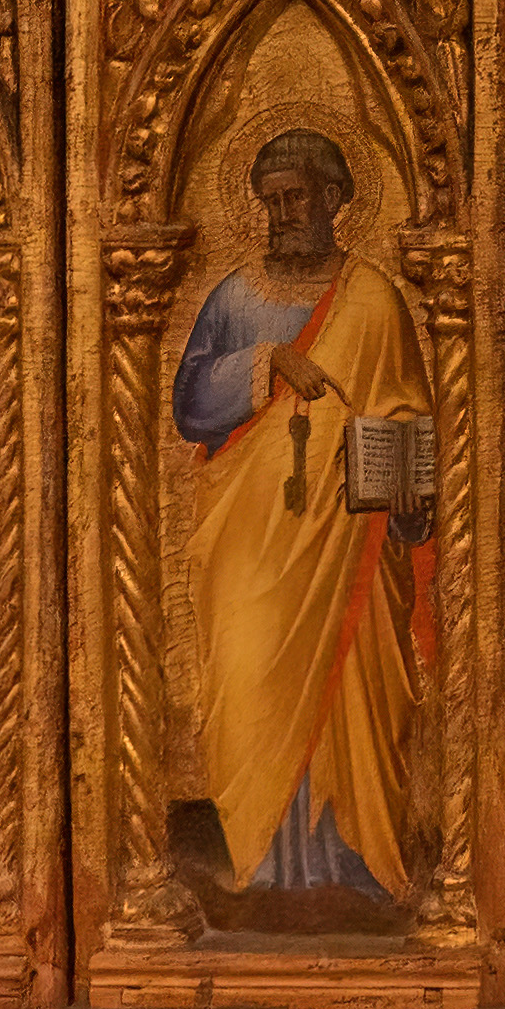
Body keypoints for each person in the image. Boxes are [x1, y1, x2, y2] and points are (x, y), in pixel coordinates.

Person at [172, 128, 436, 898]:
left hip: (352, 543)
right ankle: (263, 869)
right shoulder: (234, 297)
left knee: (355, 696)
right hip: (248, 543)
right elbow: (190, 405)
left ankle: (357, 865)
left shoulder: (373, 298)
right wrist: (266, 361)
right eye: (270, 201)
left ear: (333, 199)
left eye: (295, 197)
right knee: (250, 682)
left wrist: (408, 494)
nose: (282, 213)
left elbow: (408, 411)